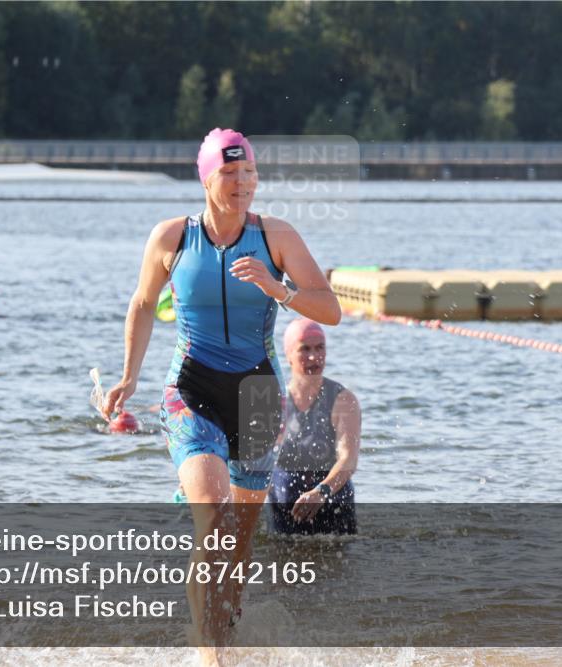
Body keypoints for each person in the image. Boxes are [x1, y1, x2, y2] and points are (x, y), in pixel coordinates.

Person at [101, 128, 340, 663]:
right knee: (213, 515)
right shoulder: (172, 238)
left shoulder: (275, 236)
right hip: (192, 387)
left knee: (240, 539)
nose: (242, 184)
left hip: (257, 395)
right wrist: (128, 376)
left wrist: (278, 288)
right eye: (230, 174)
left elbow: (330, 310)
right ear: (207, 178)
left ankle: (223, 632)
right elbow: (142, 304)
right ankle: (207, 653)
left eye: (249, 174)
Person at [269, 319, 361, 534]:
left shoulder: (343, 400)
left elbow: (349, 459)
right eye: (305, 349)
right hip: (282, 510)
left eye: (320, 348)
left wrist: (321, 492)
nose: (314, 357)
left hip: (333, 508)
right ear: (288, 354)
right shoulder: (273, 400)